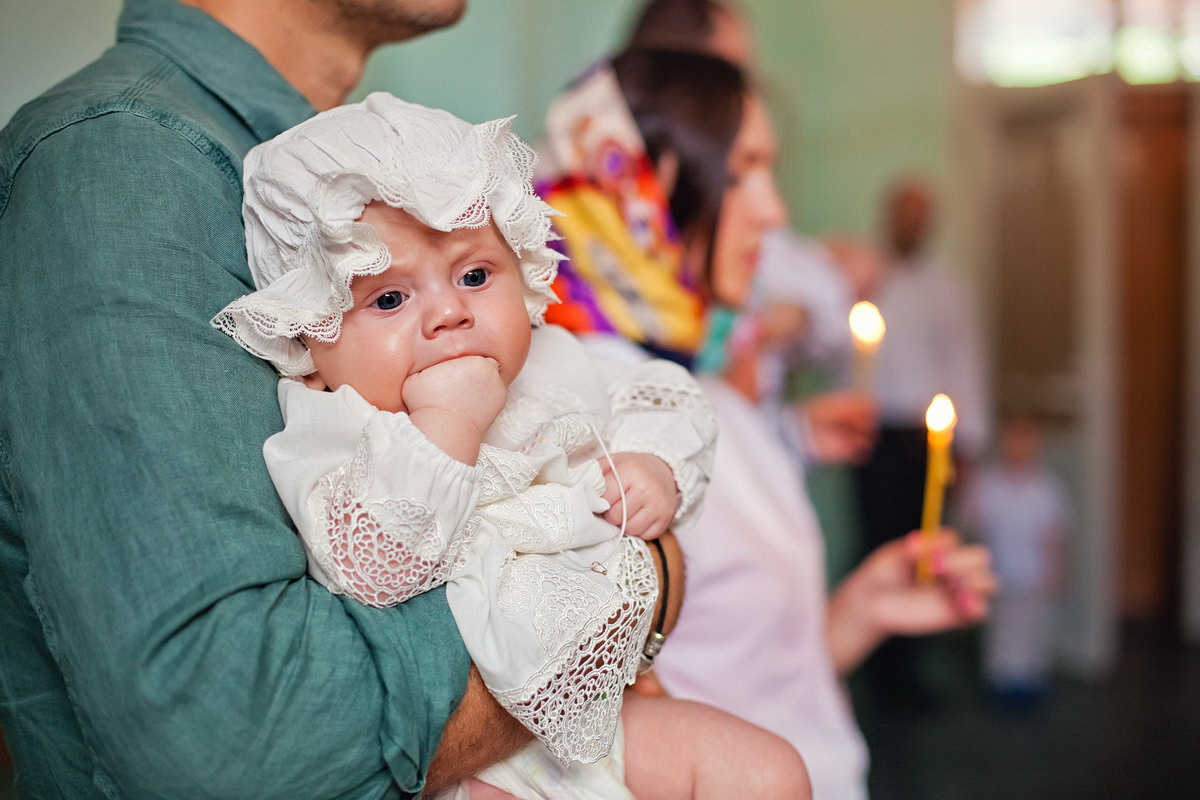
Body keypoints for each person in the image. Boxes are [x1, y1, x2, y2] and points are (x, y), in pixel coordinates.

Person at [0, 1, 547, 796]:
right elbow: (239, 742)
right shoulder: (121, 160)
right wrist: (632, 598)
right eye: (388, 298)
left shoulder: (361, 168)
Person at [212, 91, 810, 800]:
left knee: (769, 773)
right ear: (307, 334)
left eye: (474, 275)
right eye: (389, 299)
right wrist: (447, 430)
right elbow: (373, 569)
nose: (449, 312)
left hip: (600, 721)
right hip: (465, 760)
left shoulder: (549, 366)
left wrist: (652, 466)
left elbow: (653, 400)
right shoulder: (328, 424)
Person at [537, 40, 997, 800]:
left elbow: (741, 682)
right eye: (743, 170)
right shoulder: (588, 416)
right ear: (638, 186)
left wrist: (861, 609)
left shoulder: (700, 387)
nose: (775, 210)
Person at [852, 175, 993, 707]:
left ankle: (907, 673)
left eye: (921, 213)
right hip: (873, 436)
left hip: (925, 440)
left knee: (922, 552)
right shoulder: (868, 278)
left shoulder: (946, 285)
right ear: (890, 216)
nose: (912, 222)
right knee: (875, 547)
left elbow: (965, 362)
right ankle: (868, 664)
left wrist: (969, 444)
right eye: (904, 211)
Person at [964, 414, 1071, 706]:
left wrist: (1058, 572)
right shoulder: (989, 484)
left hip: (1035, 574)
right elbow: (974, 524)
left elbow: (1055, 535)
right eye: (1013, 439)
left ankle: (1031, 679)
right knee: (1002, 630)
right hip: (999, 573)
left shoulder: (1047, 488)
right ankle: (1002, 681)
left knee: (1033, 629)